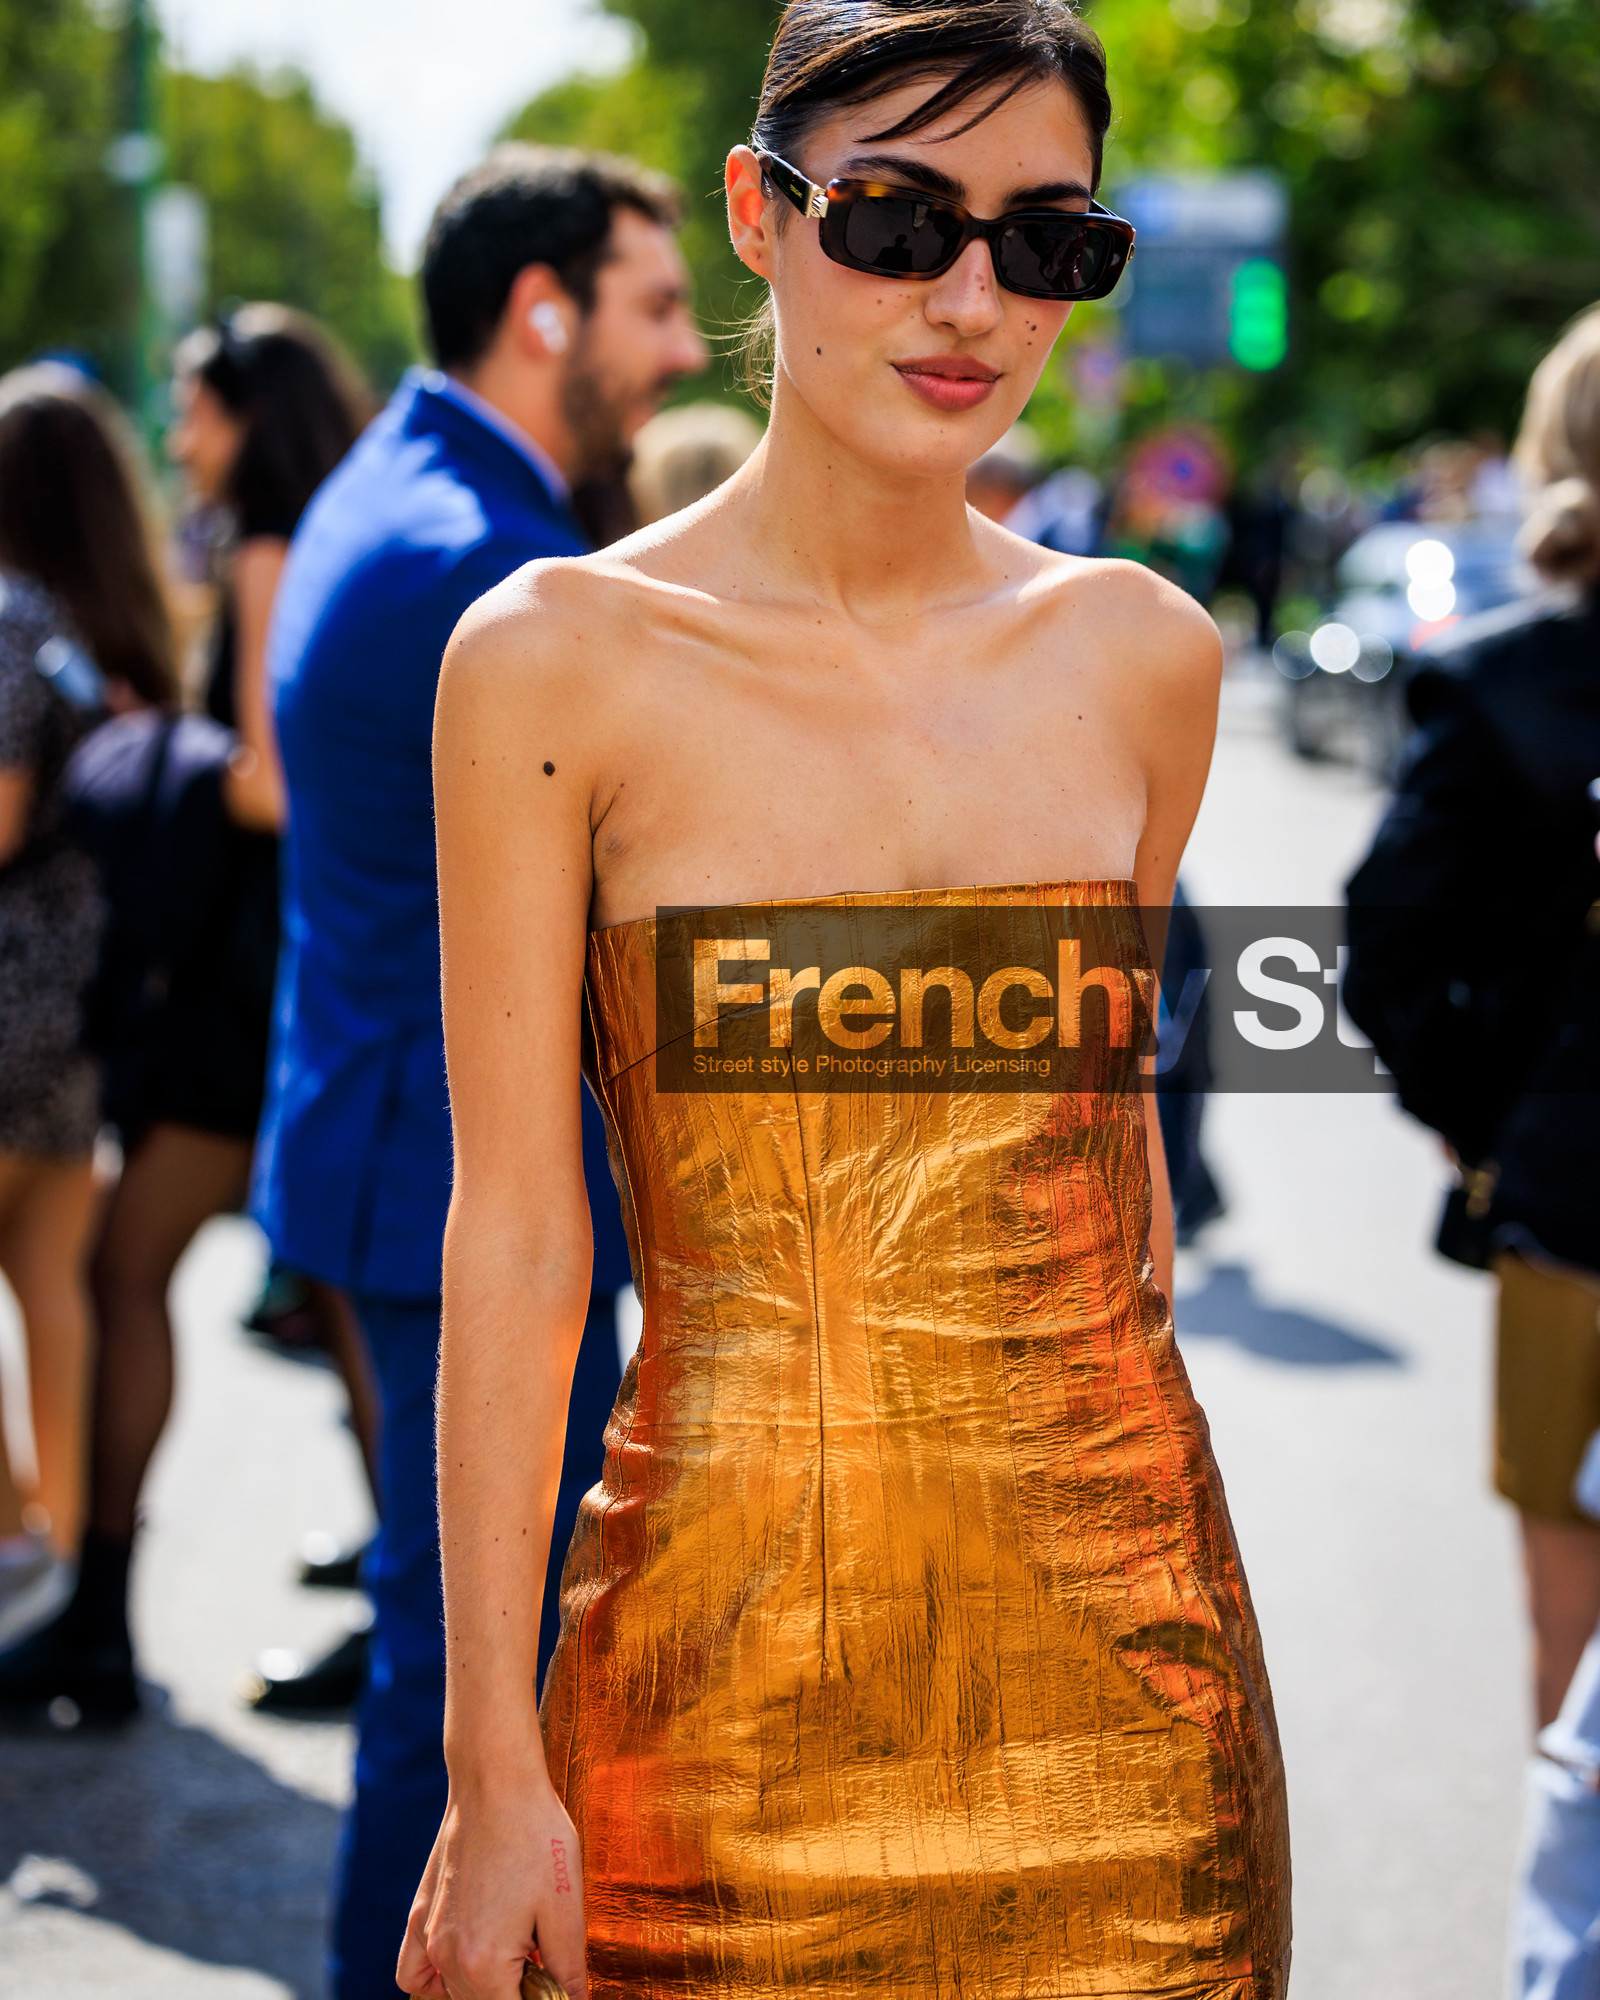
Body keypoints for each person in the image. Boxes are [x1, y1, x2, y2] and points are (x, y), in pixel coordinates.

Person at [399, 6, 1290, 1997]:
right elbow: (520, 1239)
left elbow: (1114, 1186)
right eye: (895, 219)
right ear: (757, 213)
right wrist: (488, 1761)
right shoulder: (551, 664)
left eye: (1047, 241)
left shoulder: (1145, 659)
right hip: (705, 1708)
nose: (971, 300)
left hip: (1131, 1722)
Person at [248, 146, 705, 1996]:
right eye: (656, 306)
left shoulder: (397, 478)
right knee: (475, 1686)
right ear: (543, 312)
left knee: (453, 1649)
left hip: (373, 1138)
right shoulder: (496, 564)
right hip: (453, 1181)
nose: (687, 352)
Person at [0, 311, 367, 1721]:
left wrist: (155, 749)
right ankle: (407, 1590)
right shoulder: (307, 536)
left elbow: (271, 782)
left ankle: (98, 1615)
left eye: (193, 408)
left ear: (244, 415)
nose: (178, 436)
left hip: (240, 983)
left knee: (133, 1269)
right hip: (275, 968)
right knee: (326, 1284)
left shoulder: (269, 546)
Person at [1343, 305, 1600, 1999]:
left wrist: (1480, 1120)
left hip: (1569, 1215)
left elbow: (1383, 949)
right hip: (1561, 1201)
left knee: (1572, 1649)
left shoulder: (1503, 678)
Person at [0, 364, 177, 1632]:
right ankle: (54, 1542)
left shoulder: (10, 620)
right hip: (84, 996)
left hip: (8, 982)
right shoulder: (123, 624)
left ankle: (16, 1530)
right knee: (47, 1274)